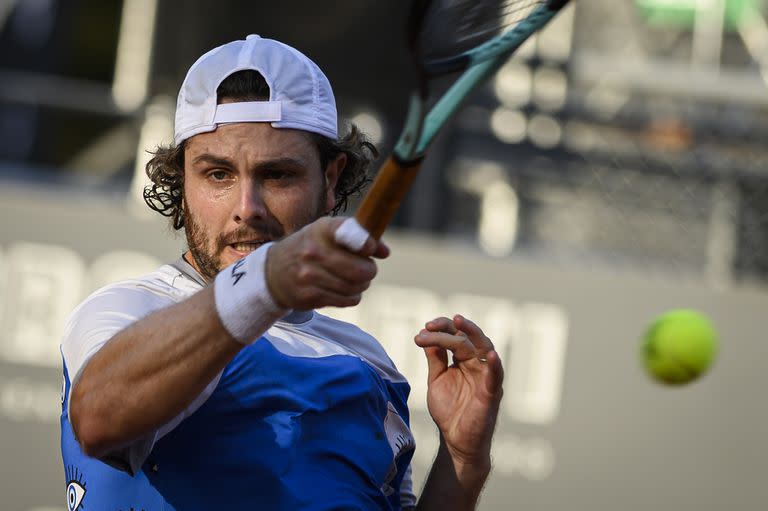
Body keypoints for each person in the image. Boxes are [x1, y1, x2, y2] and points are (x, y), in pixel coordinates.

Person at [60, 34, 503, 511]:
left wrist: (462, 461)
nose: (246, 209)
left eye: (277, 176)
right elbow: (97, 417)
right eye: (217, 174)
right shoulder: (132, 309)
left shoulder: (371, 363)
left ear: (330, 179)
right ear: (182, 181)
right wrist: (265, 279)